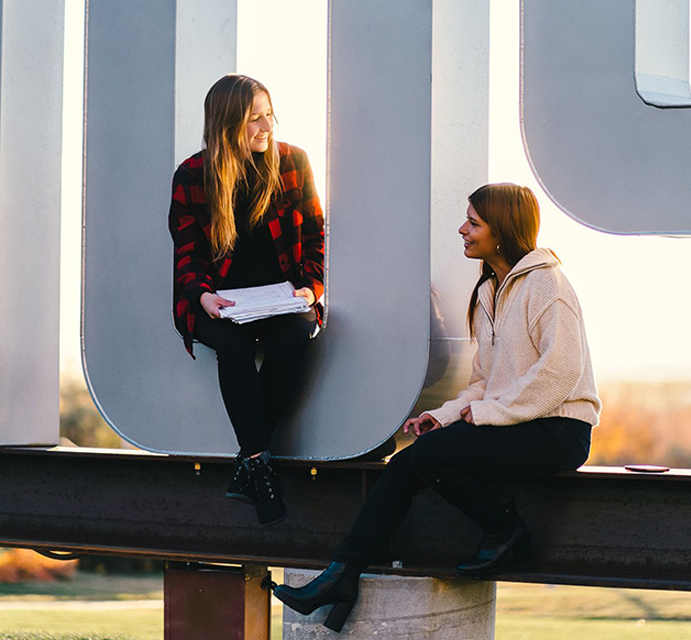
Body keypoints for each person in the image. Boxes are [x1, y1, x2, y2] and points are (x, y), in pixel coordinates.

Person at [273, 183, 600, 632]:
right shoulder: (490, 290)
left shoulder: (548, 284)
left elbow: (559, 373)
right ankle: (342, 574)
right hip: (519, 423)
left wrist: (487, 416)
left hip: (558, 430)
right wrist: (444, 416)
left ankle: (503, 529)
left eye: (474, 222)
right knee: (409, 462)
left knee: (428, 456)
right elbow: (485, 382)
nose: (462, 229)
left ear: (501, 230)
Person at [168, 75, 324, 527]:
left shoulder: (294, 162)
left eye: (269, 114)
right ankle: (258, 462)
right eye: (253, 118)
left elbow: (316, 236)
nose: (266, 126)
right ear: (226, 124)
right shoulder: (193, 175)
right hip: (219, 299)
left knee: (295, 335)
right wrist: (202, 296)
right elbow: (187, 252)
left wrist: (311, 289)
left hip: (281, 297)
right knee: (232, 347)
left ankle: (249, 466)